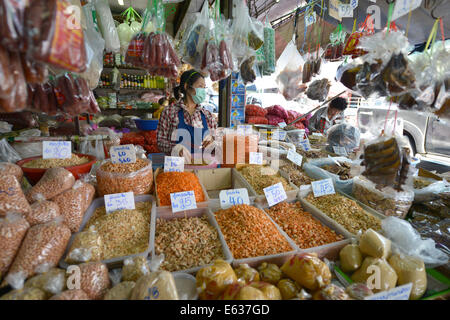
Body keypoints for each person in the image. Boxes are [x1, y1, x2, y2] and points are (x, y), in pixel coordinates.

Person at [157, 70, 217, 163]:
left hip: (202, 167)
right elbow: (160, 141)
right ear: (186, 86)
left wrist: (213, 142)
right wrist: (176, 148)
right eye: (200, 86)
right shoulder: (169, 112)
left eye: (204, 87)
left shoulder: (207, 115)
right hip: (176, 168)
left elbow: (217, 144)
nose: (203, 91)